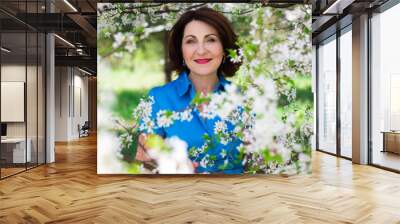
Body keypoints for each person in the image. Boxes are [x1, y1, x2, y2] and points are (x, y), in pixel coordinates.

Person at [136, 7, 243, 174]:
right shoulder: (158, 98)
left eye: (211, 40)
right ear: (181, 50)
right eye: (191, 41)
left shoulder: (245, 99)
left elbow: (260, 162)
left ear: (224, 48)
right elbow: (147, 162)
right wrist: (161, 158)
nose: (201, 50)